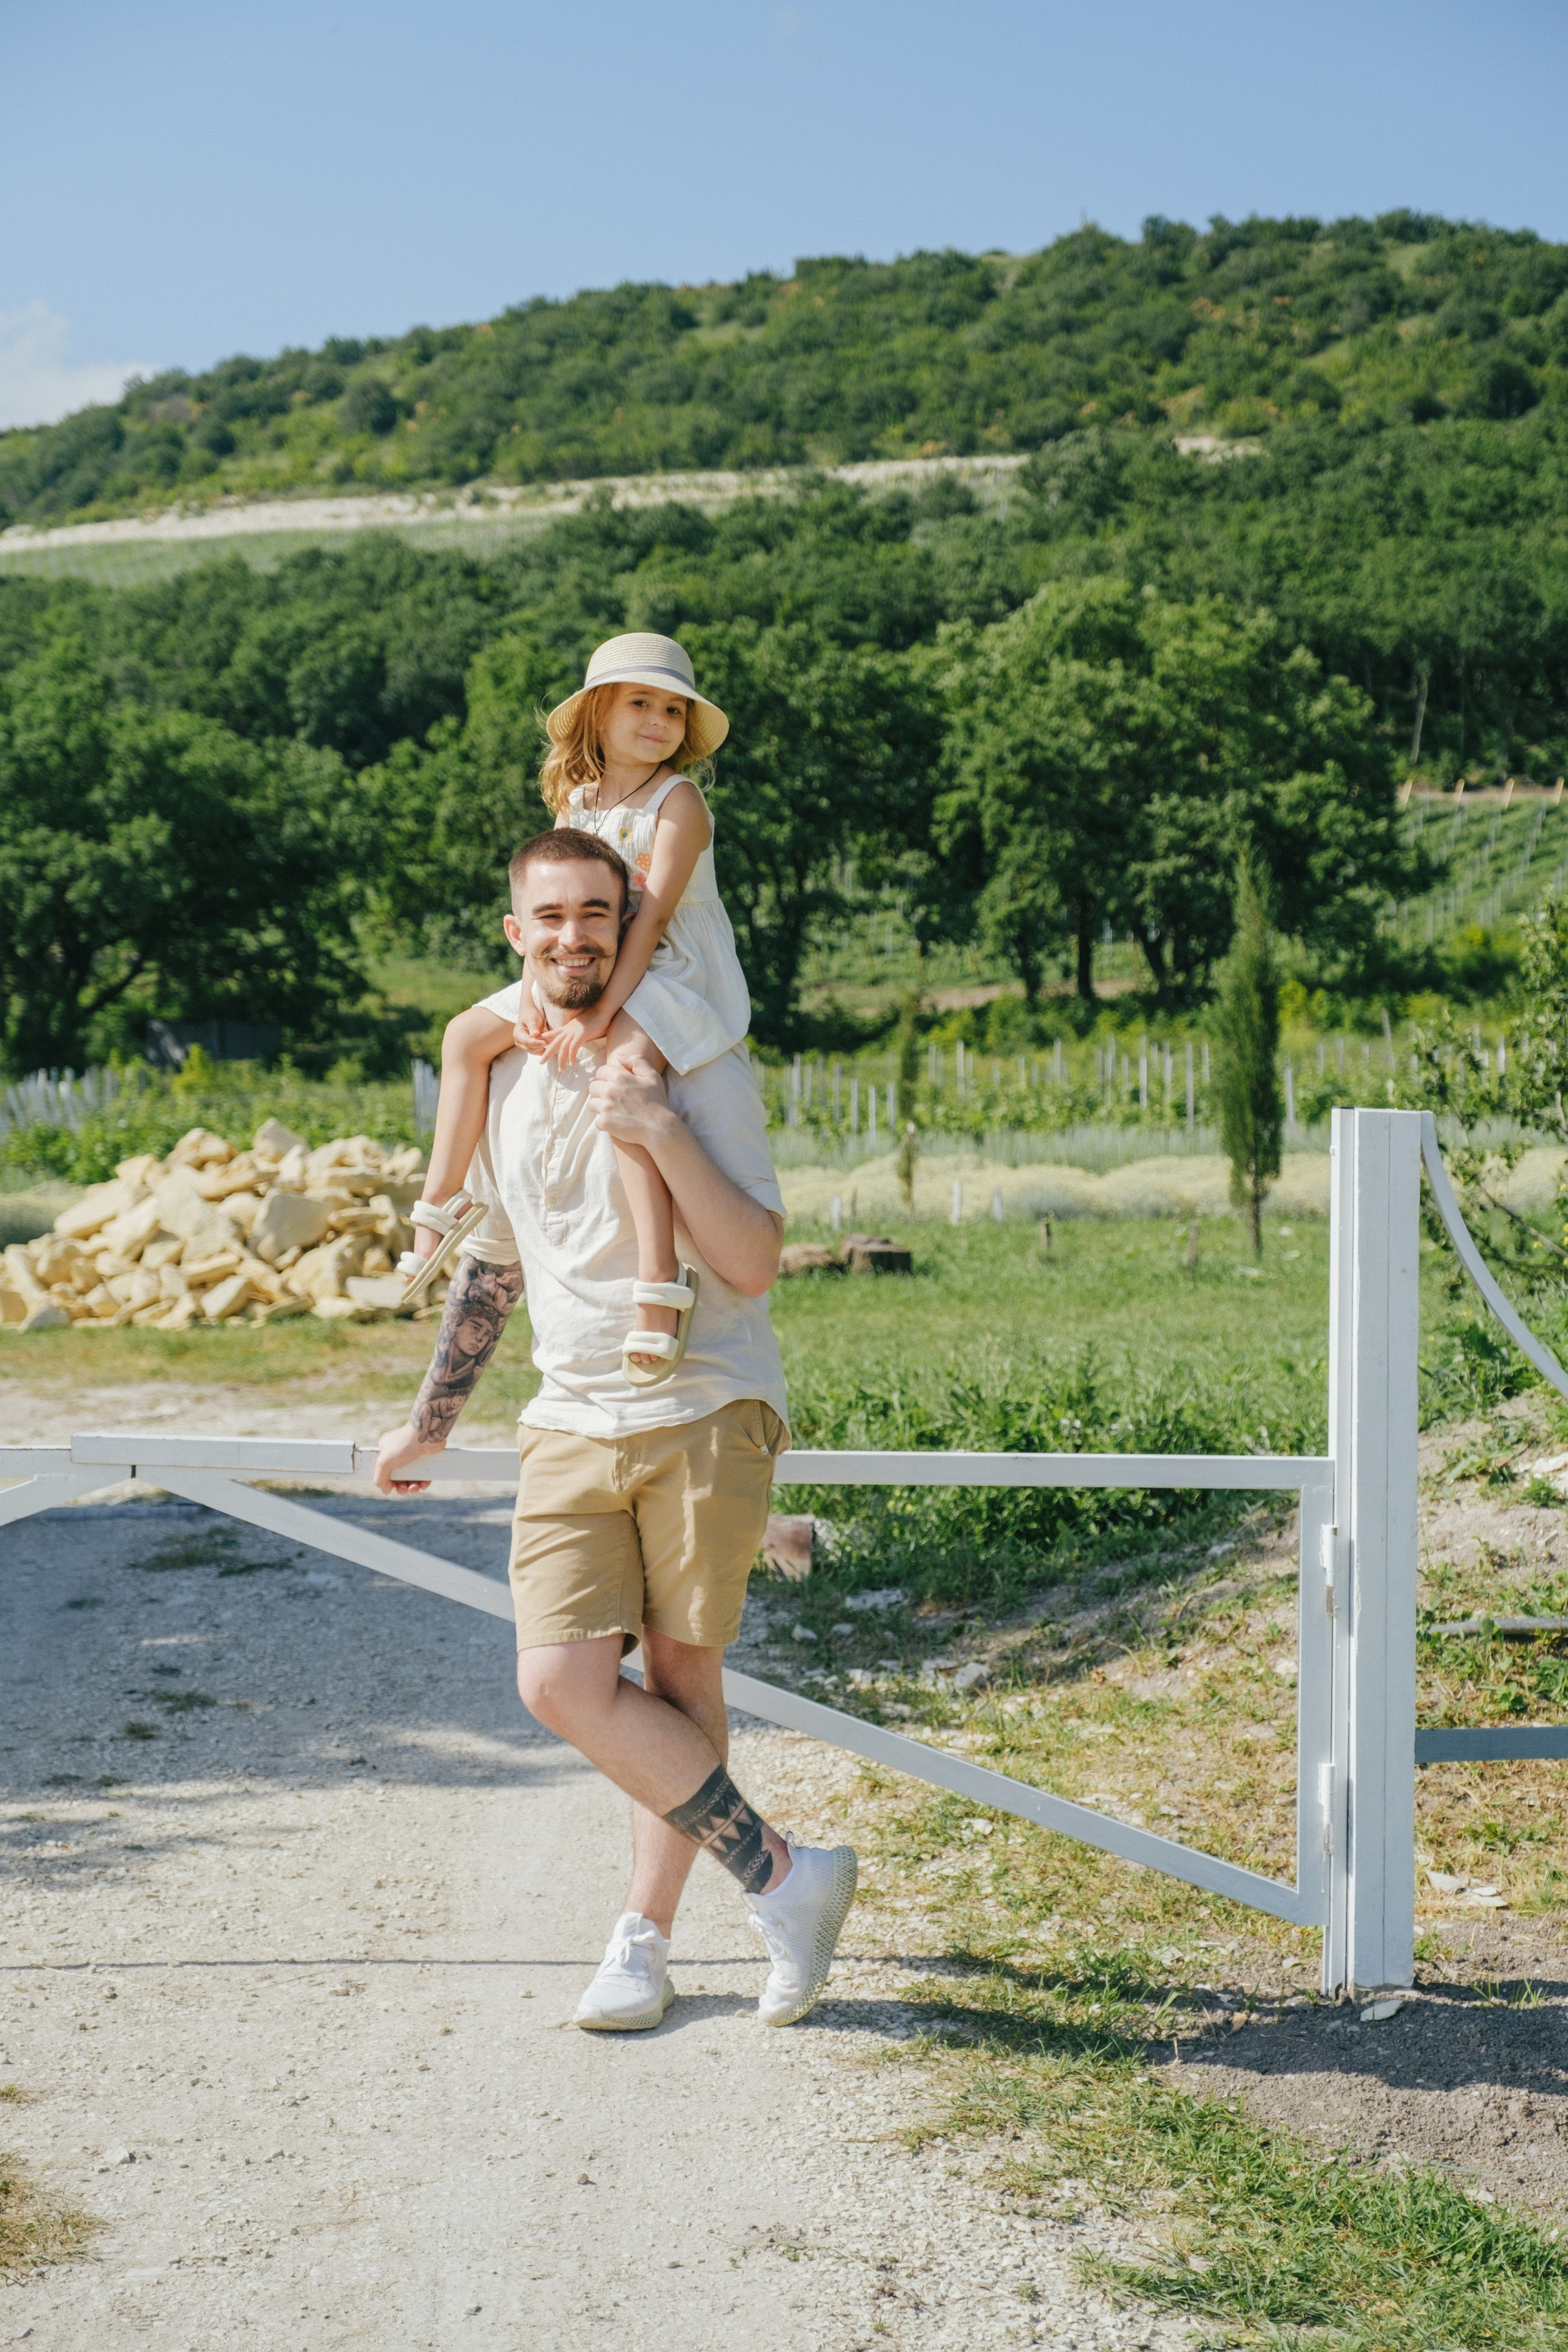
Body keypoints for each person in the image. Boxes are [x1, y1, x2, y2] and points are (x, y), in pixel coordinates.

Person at [374, 826, 858, 2032]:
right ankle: (789, 1878)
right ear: (514, 933)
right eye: (550, 917)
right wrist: (429, 1423)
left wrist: (657, 1127)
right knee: (557, 1681)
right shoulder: (501, 1074)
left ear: (625, 919)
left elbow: (750, 1264)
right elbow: (493, 1261)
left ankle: (643, 1941)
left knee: (678, 1672)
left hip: (703, 1403)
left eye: (596, 913)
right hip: (570, 1416)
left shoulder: (688, 1062)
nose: (573, 937)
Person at [412, 633, 750, 1383]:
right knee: (466, 1035)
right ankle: (442, 1198)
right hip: (586, 962)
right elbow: (557, 911)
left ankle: (658, 1283)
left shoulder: (679, 801)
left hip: (665, 971)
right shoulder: (577, 801)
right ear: (598, 713)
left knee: (624, 1075)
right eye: (640, 703)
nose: (659, 720)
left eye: (672, 709)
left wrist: (596, 1021)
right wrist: (534, 996)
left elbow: (653, 919)